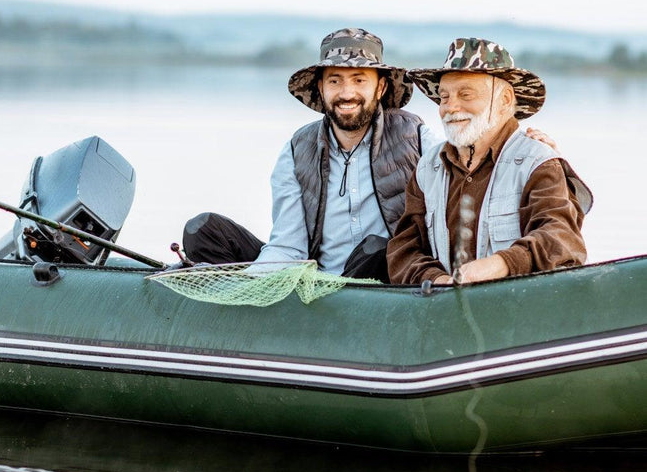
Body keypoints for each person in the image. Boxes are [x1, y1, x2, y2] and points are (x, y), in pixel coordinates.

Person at [182, 27, 431, 281]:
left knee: (378, 248)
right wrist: (253, 283)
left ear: (380, 88)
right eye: (335, 81)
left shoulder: (417, 137)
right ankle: (246, 302)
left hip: (384, 279)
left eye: (359, 80)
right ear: (321, 88)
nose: (346, 93)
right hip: (313, 281)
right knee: (203, 229)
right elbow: (289, 247)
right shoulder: (297, 149)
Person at [387, 37, 593, 286]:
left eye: (465, 94)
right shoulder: (427, 167)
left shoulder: (538, 161)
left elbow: (561, 238)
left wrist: (501, 264)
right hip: (445, 311)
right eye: (444, 97)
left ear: (505, 100)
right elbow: (403, 249)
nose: (450, 107)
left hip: (518, 313)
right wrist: (436, 279)